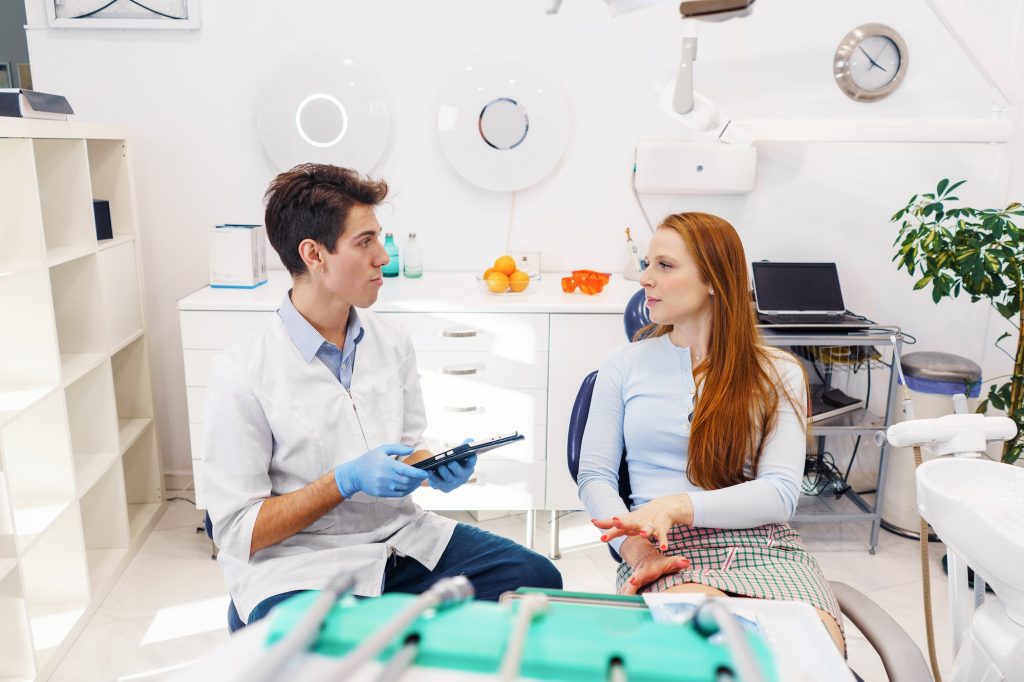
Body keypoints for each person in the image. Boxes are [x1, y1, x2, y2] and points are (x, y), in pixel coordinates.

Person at [203, 163, 561, 625]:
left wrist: (433, 468)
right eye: (364, 241)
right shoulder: (242, 371)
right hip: (301, 566)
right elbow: (237, 531)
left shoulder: (391, 341)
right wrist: (342, 481)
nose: (382, 258)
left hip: (403, 540)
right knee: (311, 642)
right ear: (314, 254)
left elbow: (408, 449)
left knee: (536, 580)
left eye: (379, 239)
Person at [576, 212, 844, 654]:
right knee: (710, 652)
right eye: (647, 264)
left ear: (714, 280)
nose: (645, 278)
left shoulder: (777, 372)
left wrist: (679, 505)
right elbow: (595, 477)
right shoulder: (623, 365)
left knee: (807, 654)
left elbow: (780, 493)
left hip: (764, 545)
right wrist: (637, 550)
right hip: (662, 550)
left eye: (664, 265)